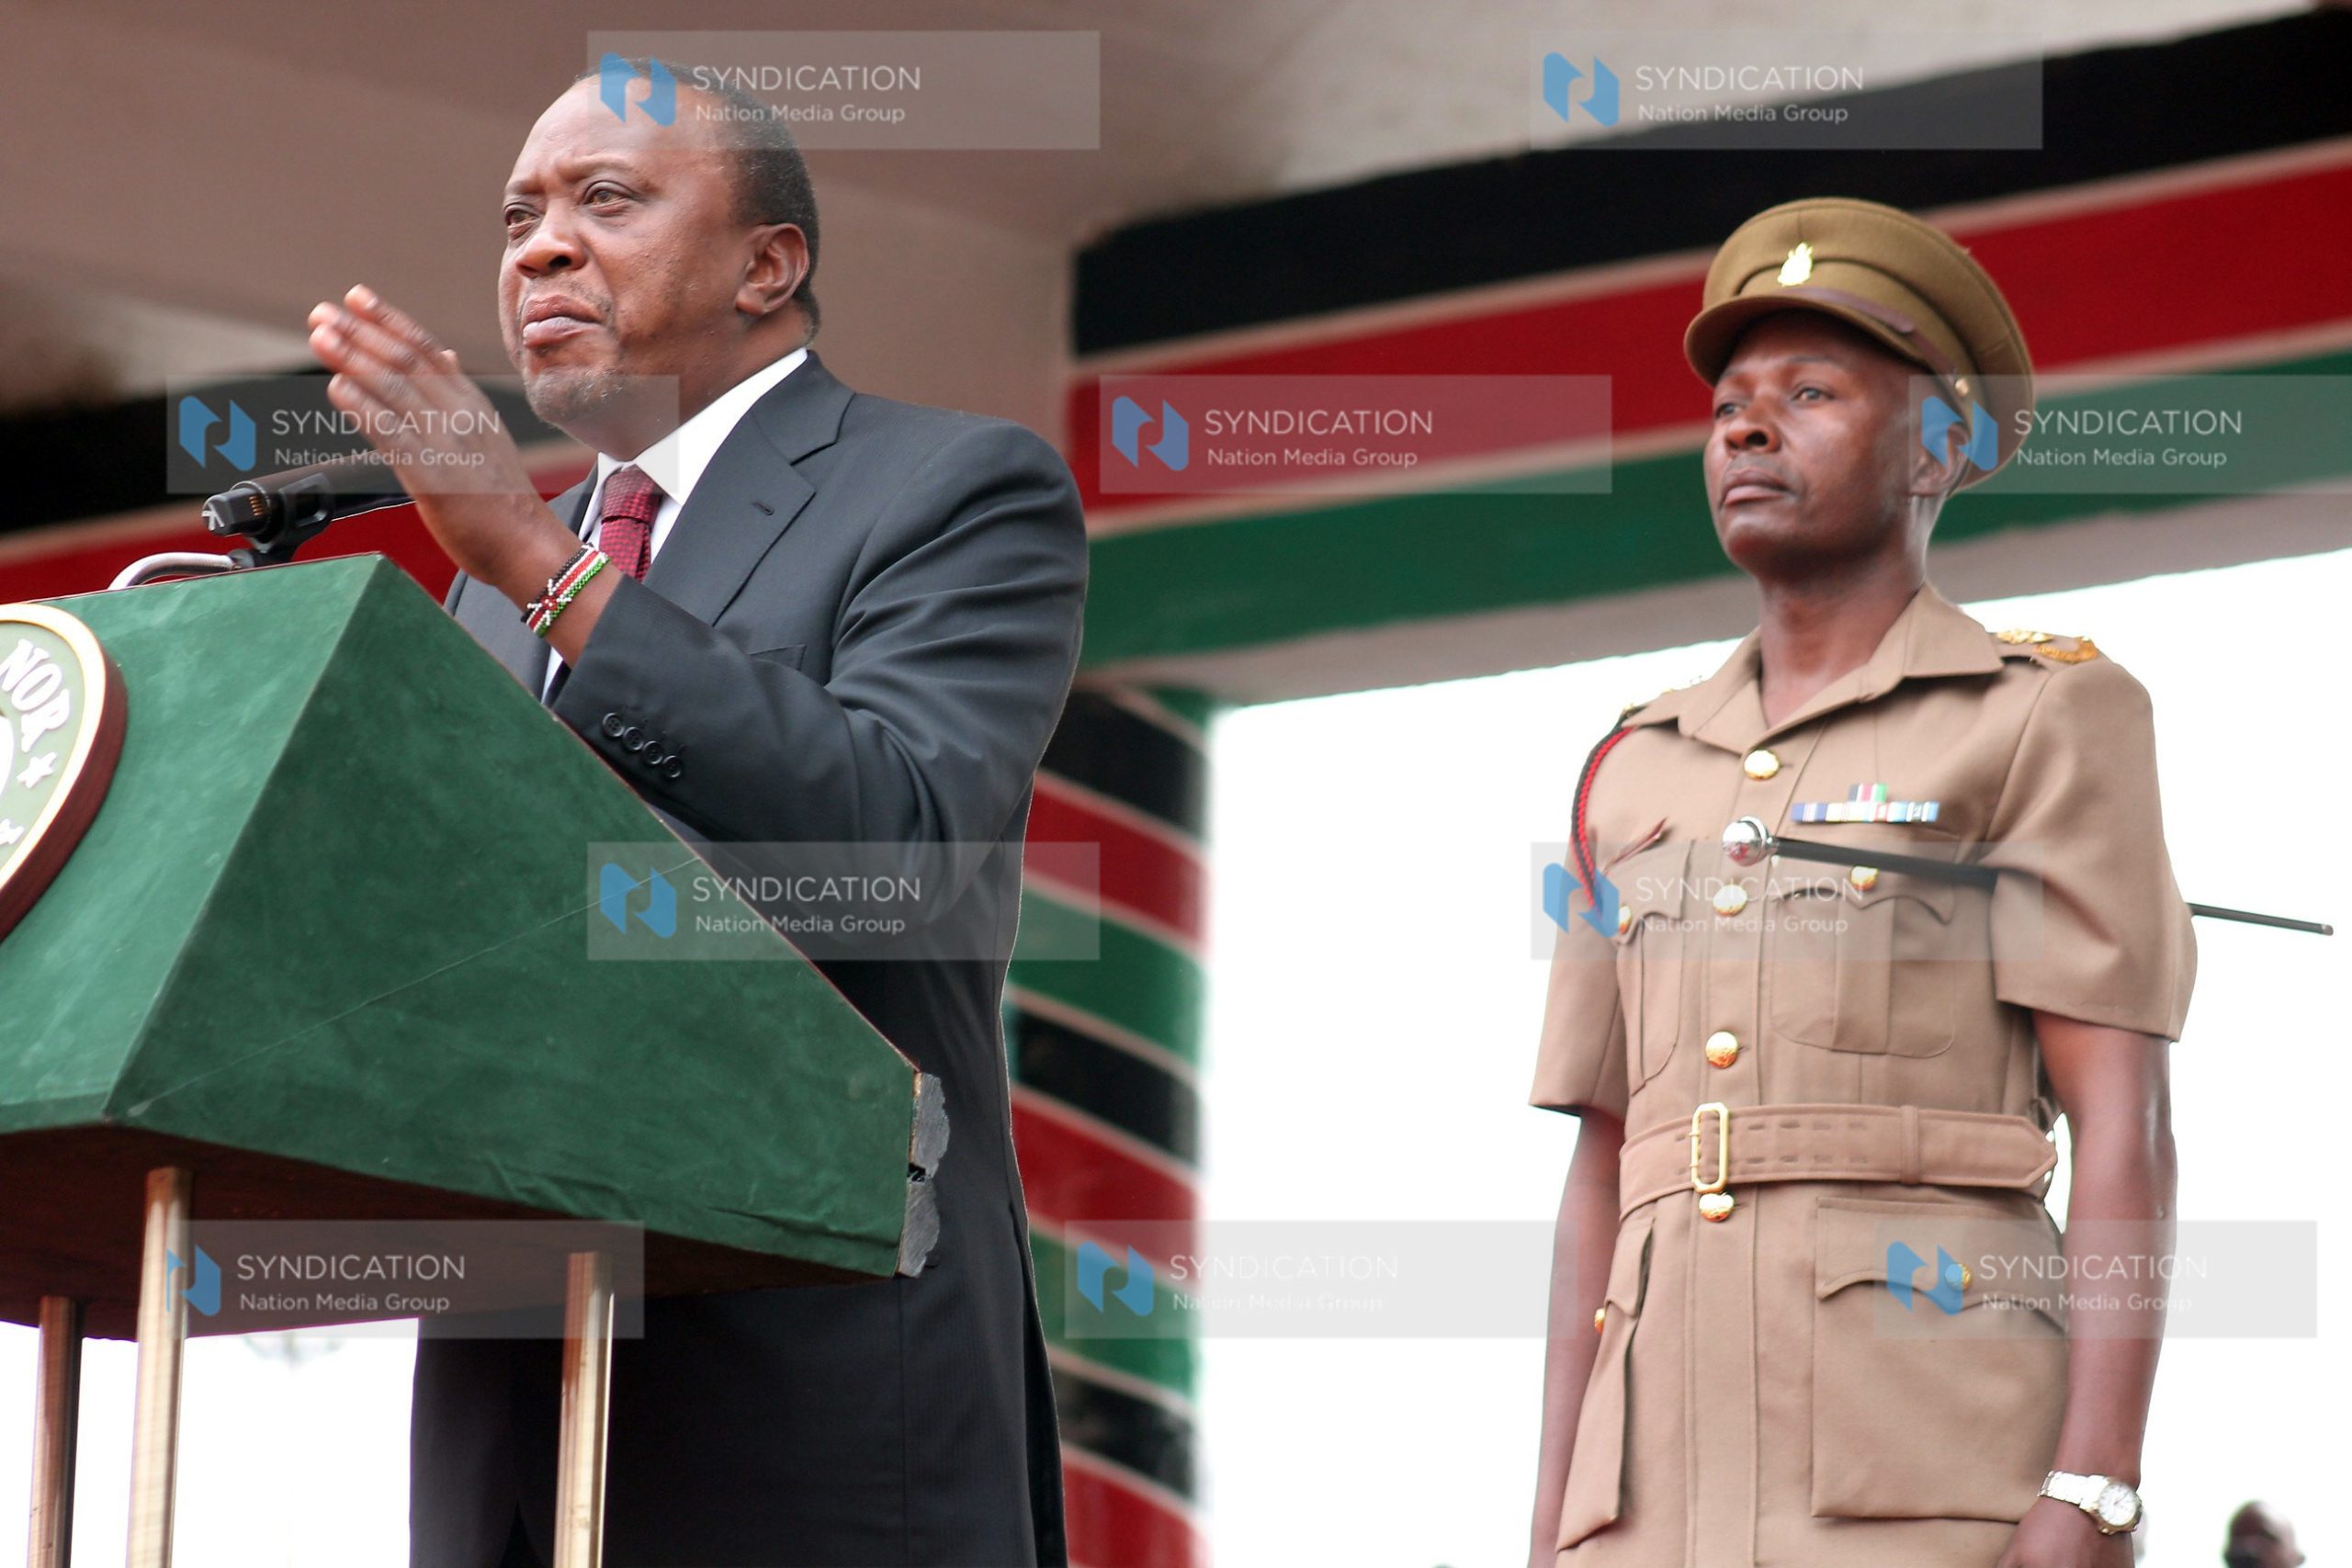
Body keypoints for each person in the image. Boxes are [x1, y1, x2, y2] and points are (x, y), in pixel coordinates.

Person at [303, 66, 1084, 1567]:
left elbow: (902, 841)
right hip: (517, 1396)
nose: (538, 248)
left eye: (606, 200)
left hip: (815, 1374)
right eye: (519, 216)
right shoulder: (500, 586)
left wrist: (544, 560)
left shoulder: (951, 488)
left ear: (766, 263)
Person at [1524, 198, 2194, 1568]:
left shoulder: (2044, 717)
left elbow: (2123, 1124)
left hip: (1934, 1487)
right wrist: (1550, 1533)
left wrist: (2095, 1487)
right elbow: (1607, 1171)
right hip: (1648, 1512)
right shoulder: (1624, 770)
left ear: (1938, 446)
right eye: (1729, 404)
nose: (1745, 429)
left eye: (1810, 393)